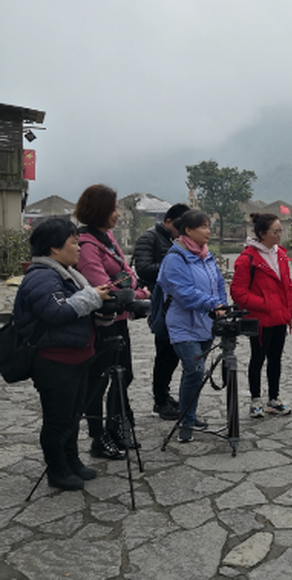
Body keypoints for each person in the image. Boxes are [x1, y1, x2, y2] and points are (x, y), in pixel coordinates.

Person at [13, 218, 112, 490]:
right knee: (58, 419)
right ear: (54, 248)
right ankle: (57, 470)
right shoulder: (42, 277)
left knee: (73, 415)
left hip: (75, 357)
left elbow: (77, 309)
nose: (78, 248)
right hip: (54, 360)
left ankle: (72, 461)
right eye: (73, 242)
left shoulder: (66, 274)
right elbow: (56, 312)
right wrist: (93, 297)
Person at [75, 184, 150, 460]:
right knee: (99, 379)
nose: (118, 214)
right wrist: (137, 294)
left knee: (123, 375)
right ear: (99, 210)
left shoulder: (106, 238)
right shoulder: (86, 244)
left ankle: (116, 426)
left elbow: (128, 274)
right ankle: (98, 436)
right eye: (114, 208)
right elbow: (103, 287)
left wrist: (132, 291)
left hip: (120, 319)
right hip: (101, 322)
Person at [157, 209, 228, 443]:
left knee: (194, 375)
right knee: (195, 370)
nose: (208, 231)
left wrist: (222, 306)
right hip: (183, 326)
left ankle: (188, 414)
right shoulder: (175, 258)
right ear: (188, 230)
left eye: (209, 226)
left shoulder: (206, 255)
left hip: (206, 324)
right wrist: (212, 304)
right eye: (203, 227)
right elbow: (183, 292)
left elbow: (218, 283)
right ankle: (186, 423)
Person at [230, 213, 292, 418]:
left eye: (280, 231)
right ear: (262, 234)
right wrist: (265, 304)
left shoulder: (280, 255)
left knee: (275, 359)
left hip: (280, 316)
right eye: (275, 231)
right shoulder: (248, 259)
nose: (279, 235)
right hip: (260, 318)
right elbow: (238, 292)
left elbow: (288, 285)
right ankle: (255, 400)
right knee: (258, 358)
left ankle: (273, 398)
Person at [133, 202, 190, 420]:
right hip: (161, 304)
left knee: (172, 354)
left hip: (176, 303)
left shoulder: (173, 240)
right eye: (180, 226)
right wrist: (175, 265)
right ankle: (160, 400)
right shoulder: (149, 238)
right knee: (164, 353)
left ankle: (164, 394)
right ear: (168, 221)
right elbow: (144, 269)